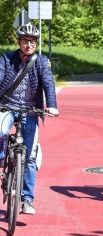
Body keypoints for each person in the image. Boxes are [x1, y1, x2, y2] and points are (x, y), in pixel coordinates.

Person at [0, 23, 59, 214]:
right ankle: (2, 158)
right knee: (0, 131)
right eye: (25, 41)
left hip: (31, 110)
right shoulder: (7, 59)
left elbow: (48, 83)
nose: (28, 44)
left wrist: (52, 105)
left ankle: (27, 199)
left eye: (32, 41)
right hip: (7, 106)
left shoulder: (41, 61)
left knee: (30, 156)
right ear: (19, 42)